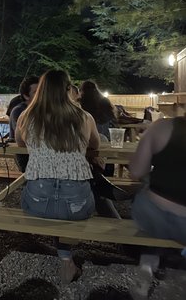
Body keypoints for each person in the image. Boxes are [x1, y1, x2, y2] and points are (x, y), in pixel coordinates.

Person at [16, 69, 100, 284]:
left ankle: (66, 260)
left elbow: (20, 144)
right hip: (77, 204)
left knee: (50, 201)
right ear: (67, 89)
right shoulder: (84, 117)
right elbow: (95, 145)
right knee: (70, 201)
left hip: (37, 202)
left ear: (41, 90)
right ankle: (66, 260)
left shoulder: (27, 116)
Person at [128, 116, 186, 299]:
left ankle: (148, 261)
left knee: (146, 191)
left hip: (151, 214)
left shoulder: (162, 127)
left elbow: (136, 172)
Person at [80, 81, 118, 176]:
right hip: (107, 142)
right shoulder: (105, 101)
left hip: (90, 144)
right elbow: (113, 120)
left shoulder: (81, 103)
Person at [8, 76, 39, 172]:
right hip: (26, 157)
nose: (40, 94)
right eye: (36, 92)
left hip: (41, 154)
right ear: (26, 96)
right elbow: (24, 139)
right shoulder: (19, 111)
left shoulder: (44, 109)